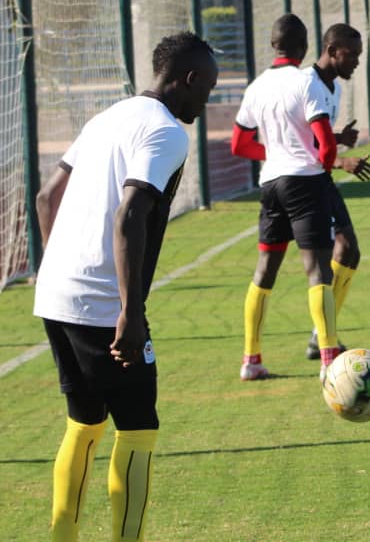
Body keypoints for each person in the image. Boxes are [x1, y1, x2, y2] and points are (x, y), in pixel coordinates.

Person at [34, 32, 218, 542]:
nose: (208, 100)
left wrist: (58, 273)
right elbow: (131, 212)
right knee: (139, 430)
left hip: (55, 295)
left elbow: (48, 197)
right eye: (208, 89)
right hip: (101, 304)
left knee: (85, 423)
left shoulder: (106, 117)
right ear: (189, 79)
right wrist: (129, 313)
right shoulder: (166, 131)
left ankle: (62, 536)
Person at [230, 15, 370, 381]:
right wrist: (325, 161)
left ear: (273, 44)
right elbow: (322, 150)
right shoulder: (305, 82)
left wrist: (278, 155)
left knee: (264, 272)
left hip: (271, 184)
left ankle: (251, 359)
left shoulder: (256, 87)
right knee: (318, 271)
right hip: (307, 184)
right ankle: (328, 361)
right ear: (308, 47)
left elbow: (239, 144)